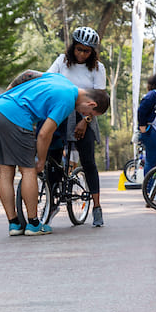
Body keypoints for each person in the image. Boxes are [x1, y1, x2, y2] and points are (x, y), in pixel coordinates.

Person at [0, 72, 109, 236]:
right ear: (91, 104)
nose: (86, 116)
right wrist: (41, 161)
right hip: (14, 117)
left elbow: (28, 74)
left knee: (5, 172)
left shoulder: (60, 80)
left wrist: (10, 90)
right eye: (89, 114)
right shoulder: (67, 100)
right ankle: (34, 224)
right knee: (28, 170)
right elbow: (44, 134)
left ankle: (14, 224)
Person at [47, 26, 108, 227]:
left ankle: (97, 207)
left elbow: (99, 100)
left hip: (86, 115)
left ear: (92, 52)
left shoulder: (97, 69)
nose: (81, 54)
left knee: (88, 160)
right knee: (52, 158)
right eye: (79, 49)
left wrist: (85, 121)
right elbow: (48, 81)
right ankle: (52, 198)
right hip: (61, 113)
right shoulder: (61, 62)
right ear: (73, 47)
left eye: (86, 51)